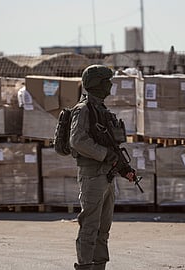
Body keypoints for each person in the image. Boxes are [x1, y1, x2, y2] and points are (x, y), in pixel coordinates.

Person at [70, 64, 134, 270]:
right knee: (90, 226)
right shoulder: (83, 110)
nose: (110, 85)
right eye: (106, 81)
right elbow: (77, 141)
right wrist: (106, 155)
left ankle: (99, 265)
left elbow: (111, 145)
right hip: (92, 176)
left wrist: (124, 169)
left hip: (107, 176)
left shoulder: (101, 110)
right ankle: (85, 265)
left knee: (103, 228)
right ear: (95, 83)